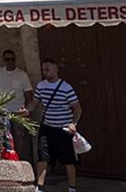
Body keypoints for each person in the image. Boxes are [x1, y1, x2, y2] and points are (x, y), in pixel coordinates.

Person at [22, 59, 81, 192]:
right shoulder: (41, 86)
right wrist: (27, 109)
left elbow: (77, 108)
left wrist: (74, 123)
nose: (45, 72)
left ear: (55, 69)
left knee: (69, 160)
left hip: (64, 129)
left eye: (47, 69)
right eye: (43, 69)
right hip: (47, 127)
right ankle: (40, 187)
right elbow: (35, 103)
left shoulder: (66, 88)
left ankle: (72, 188)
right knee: (43, 158)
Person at [0, 49, 34, 159]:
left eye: (12, 59)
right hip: (2, 111)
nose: (10, 61)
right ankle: (5, 161)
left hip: (17, 111)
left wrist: (27, 110)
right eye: (7, 59)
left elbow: (29, 93)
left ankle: (18, 160)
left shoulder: (22, 75)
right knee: (3, 137)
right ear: (3, 60)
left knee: (19, 138)